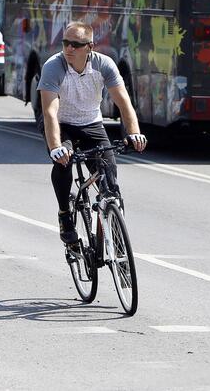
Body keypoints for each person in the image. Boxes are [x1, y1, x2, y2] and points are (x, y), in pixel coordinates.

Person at [38, 22, 147, 246]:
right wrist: (57, 146)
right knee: (63, 162)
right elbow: (49, 111)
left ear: (90, 47)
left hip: (91, 123)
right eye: (66, 43)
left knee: (110, 181)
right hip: (62, 124)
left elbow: (124, 102)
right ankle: (64, 214)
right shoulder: (53, 66)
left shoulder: (103, 64)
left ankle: (114, 237)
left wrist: (134, 132)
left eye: (75, 45)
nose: (69, 49)